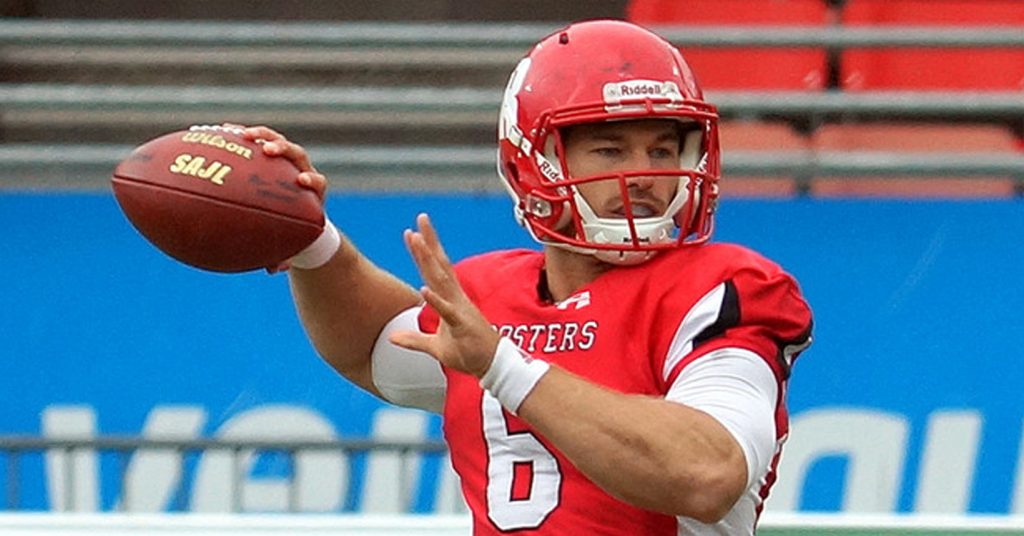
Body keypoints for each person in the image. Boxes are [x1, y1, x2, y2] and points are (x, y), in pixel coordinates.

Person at [243, 19, 812, 535]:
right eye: (610, 150)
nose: (644, 175)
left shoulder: (723, 288)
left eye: (662, 151)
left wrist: (502, 364)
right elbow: (371, 349)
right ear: (531, 163)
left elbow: (707, 474)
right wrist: (309, 238)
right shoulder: (491, 294)